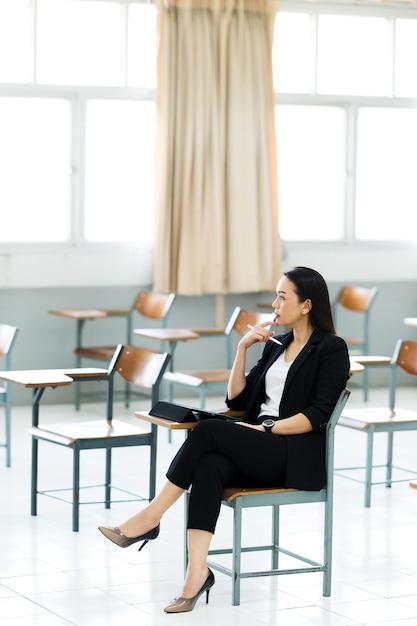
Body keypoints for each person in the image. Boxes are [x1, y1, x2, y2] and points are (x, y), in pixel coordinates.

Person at [98, 266, 350, 613]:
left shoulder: (331, 348)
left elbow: (317, 415)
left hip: (291, 452)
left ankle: (150, 518)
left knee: (207, 430)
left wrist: (265, 429)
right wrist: (242, 349)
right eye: (275, 295)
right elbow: (237, 401)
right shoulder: (279, 344)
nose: (275, 303)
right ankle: (196, 574)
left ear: (306, 305)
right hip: (260, 445)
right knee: (210, 465)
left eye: (282, 296)